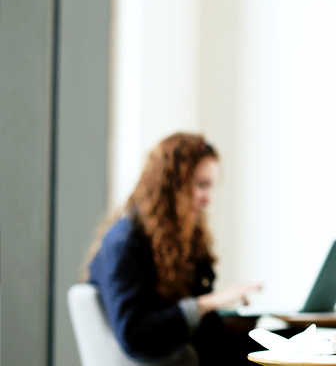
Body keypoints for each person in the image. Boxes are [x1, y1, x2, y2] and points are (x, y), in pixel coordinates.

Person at [86, 132, 262, 365]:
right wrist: (207, 304)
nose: (208, 199)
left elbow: (196, 329)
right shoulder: (126, 242)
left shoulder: (179, 241)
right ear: (171, 185)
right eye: (201, 185)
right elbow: (135, 334)